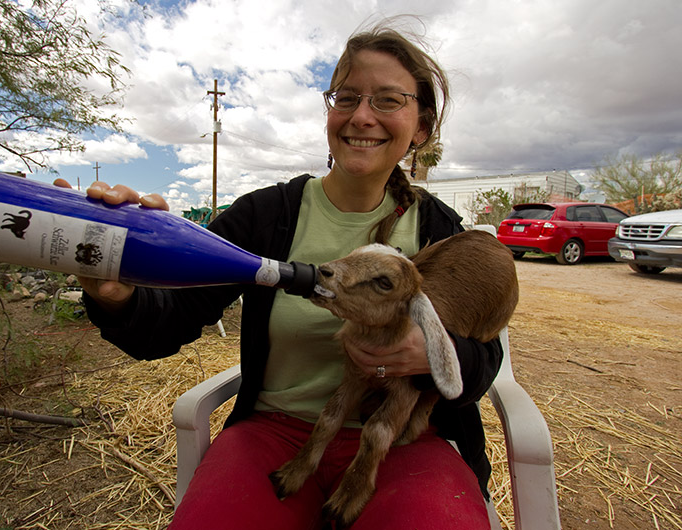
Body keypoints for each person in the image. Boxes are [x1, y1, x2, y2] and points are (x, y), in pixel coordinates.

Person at [69, 21, 501, 530]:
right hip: (273, 434)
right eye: (347, 97)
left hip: (402, 441)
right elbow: (170, 322)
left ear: (422, 128)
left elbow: (481, 358)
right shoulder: (263, 216)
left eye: (388, 100)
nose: (362, 116)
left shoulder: (439, 231)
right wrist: (118, 294)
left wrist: (425, 355)